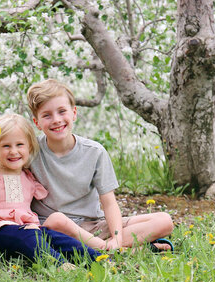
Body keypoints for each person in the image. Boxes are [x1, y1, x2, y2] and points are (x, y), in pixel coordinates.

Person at [26, 79, 174, 252]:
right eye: (47, 115)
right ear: (37, 122)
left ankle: (110, 246)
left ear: (74, 113)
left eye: (62, 111)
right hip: (54, 228)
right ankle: (119, 248)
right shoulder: (30, 151)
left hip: (92, 226)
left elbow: (109, 203)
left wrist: (117, 237)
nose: (56, 120)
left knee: (164, 221)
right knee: (57, 219)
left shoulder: (94, 152)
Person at [0, 114, 101, 266]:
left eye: (20, 145)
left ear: (30, 147)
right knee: (28, 238)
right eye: (6, 146)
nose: (13, 151)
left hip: (30, 230)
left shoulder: (28, 177)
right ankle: (60, 265)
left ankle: (98, 260)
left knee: (56, 238)